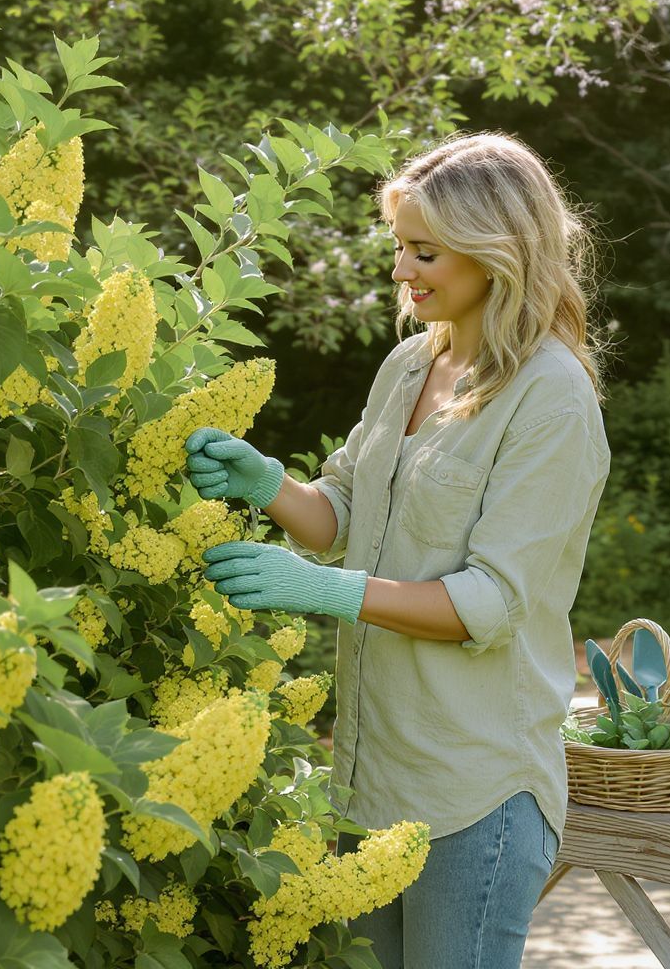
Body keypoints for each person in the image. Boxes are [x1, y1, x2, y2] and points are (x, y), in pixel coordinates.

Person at [183, 129, 612, 969]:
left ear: (498, 253)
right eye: (398, 248)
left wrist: (322, 590)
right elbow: (342, 507)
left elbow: (484, 605)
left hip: (472, 791)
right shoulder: (412, 364)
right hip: (367, 781)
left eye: (424, 252)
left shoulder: (553, 401)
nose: (400, 271)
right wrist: (268, 484)